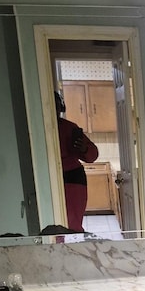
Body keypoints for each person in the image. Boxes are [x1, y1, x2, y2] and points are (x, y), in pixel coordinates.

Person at [55, 91, 99, 232]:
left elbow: (92, 156)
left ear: (60, 108)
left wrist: (83, 148)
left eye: (56, 107)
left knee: (72, 222)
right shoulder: (36, 129)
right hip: (49, 178)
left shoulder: (69, 127)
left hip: (72, 177)